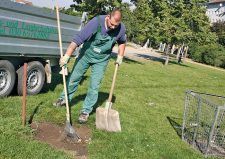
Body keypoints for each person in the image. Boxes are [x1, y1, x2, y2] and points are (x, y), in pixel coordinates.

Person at [53, 8, 126, 124]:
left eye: (116, 25)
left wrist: (120, 56)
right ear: (108, 17)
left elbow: (122, 42)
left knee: (94, 85)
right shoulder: (96, 22)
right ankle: (64, 99)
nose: (113, 27)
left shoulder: (121, 28)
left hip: (102, 60)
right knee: (74, 78)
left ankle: (85, 111)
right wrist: (66, 56)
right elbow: (78, 39)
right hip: (86, 55)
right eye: (112, 24)